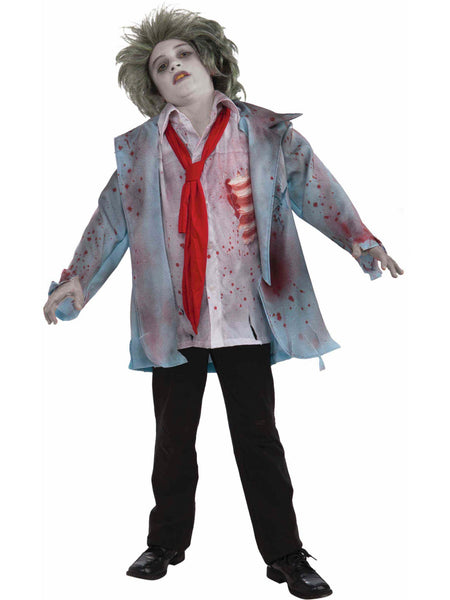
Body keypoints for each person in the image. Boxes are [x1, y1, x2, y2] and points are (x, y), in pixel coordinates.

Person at [43, 7, 403, 599]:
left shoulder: (263, 132)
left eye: (184, 55)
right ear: (152, 86)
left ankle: (285, 554)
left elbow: (315, 186)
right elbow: (111, 220)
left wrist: (361, 240)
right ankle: (165, 543)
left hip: (244, 316)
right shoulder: (141, 150)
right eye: (161, 65)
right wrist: (76, 279)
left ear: (211, 62)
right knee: (172, 439)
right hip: (174, 319)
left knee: (258, 439)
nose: (174, 67)